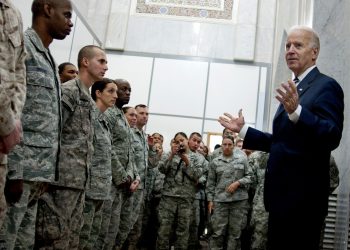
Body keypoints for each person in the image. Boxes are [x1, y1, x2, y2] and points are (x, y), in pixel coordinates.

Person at [219, 25, 344, 250]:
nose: (290, 50)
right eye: (288, 46)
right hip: (279, 200)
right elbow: (282, 142)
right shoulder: (294, 87)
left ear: (314, 52)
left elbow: (332, 136)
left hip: (303, 202)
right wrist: (244, 130)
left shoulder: (326, 86)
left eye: (298, 45)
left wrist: (298, 112)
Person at [0, 0, 73, 249]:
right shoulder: (24, 47)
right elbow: (12, 110)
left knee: (23, 243)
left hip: (38, 175)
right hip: (20, 172)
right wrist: (15, 171)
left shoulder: (48, 57)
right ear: (47, 9)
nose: (70, 22)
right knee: (5, 240)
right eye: (66, 15)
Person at [36, 45, 108, 249]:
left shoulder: (86, 95)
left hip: (79, 182)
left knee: (71, 238)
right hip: (62, 181)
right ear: (85, 62)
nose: (106, 67)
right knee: (52, 237)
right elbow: (52, 131)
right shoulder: (70, 91)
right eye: (101, 61)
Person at [95, 79, 139, 250]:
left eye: (129, 90)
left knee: (112, 231)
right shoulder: (109, 113)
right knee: (101, 230)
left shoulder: (121, 116)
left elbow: (128, 152)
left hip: (121, 184)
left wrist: (130, 175)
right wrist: (122, 175)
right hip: (109, 181)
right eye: (123, 89)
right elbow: (108, 147)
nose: (127, 93)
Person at [79, 78, 117, 249]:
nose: (115, 96)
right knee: (81, 235)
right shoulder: (90, 115)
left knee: (93, 236)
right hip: (88, 188)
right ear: (98, 93)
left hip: (101, 189)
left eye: (116, 92)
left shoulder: (103, 121)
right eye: (111, 91)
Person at [0, 0, 26, 228]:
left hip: (4, 143)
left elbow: (18, 74)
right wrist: (8, 124)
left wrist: (11, 121)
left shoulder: (11, 13)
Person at [157, 132, 203, 250]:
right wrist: (172, 155)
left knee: (183, 231)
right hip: (168, 198)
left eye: (182, 140)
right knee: (164, 229)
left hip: (186, 199)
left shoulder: (196, 157)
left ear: (187, 141)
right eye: (177, 141)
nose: (180, 143)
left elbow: (197, 175)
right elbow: (161, 169)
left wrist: (186, 160)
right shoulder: (168, 154)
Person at [206, 136, 253, 250]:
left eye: (229, 144)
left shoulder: (242, 159)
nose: (227, 147)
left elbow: (250, 176)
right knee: (218, 233)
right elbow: (210, 182)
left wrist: (238, 183)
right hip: (220, 201)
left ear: (233, 146)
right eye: (224, 144)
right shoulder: (215, 162)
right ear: (221, 146)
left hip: (238, 202)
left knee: (235, 234)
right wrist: (210, 200)